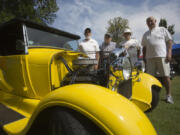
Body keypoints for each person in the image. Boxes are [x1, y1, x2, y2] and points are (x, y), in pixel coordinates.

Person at [142, 16, 174, 104]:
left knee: (166, 76)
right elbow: (144, 47)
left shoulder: (162, 29)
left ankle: (168, 96)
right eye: (148, 21)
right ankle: (150, 96)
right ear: (147, 23)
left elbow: (169, 41)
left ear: (155, 21)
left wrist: (169, 52)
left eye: (151, 21)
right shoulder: (145, 34)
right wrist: (144, 57)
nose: (150, 22)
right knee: (149, 78)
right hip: (149, 58)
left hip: (162, 56)